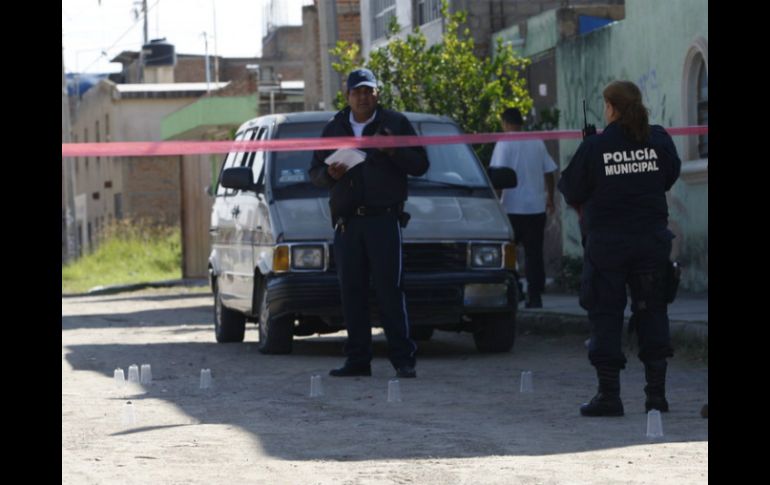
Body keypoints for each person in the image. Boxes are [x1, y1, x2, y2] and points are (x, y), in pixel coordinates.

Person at [558, 80, 681, 417]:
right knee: (653, 312)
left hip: (608, 245)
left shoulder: (596, 146)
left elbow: (570, 189)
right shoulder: (658, 139)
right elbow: (670, 174)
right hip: (651, 242)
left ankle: (608, 396)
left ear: (611, 107)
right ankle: (656, 397)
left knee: (606, 316)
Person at [309, 68, 429, 379]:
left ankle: (403, 360)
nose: (363, 97)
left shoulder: (395, 124)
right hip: (348, 223)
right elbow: (314, 174)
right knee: (352, 292)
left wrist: (393, 151)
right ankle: (358, 360)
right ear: (347, 96)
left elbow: (420, 164)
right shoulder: (334, 128)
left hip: (383, 219)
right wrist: (329, 175)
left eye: (368, 91)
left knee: (390, 291)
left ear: (377, 94)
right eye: (356, 92)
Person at [489, 108, 558, 308]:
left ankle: (516, 288)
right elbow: (549, 172)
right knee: (534, 253)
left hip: (512, 208)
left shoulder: (504, 143)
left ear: (505, 122)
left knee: (507, 252)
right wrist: (550, 198)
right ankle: (535, 296)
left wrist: (494, 201)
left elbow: (498, 175)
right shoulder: (536, 142)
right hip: (536, 208)